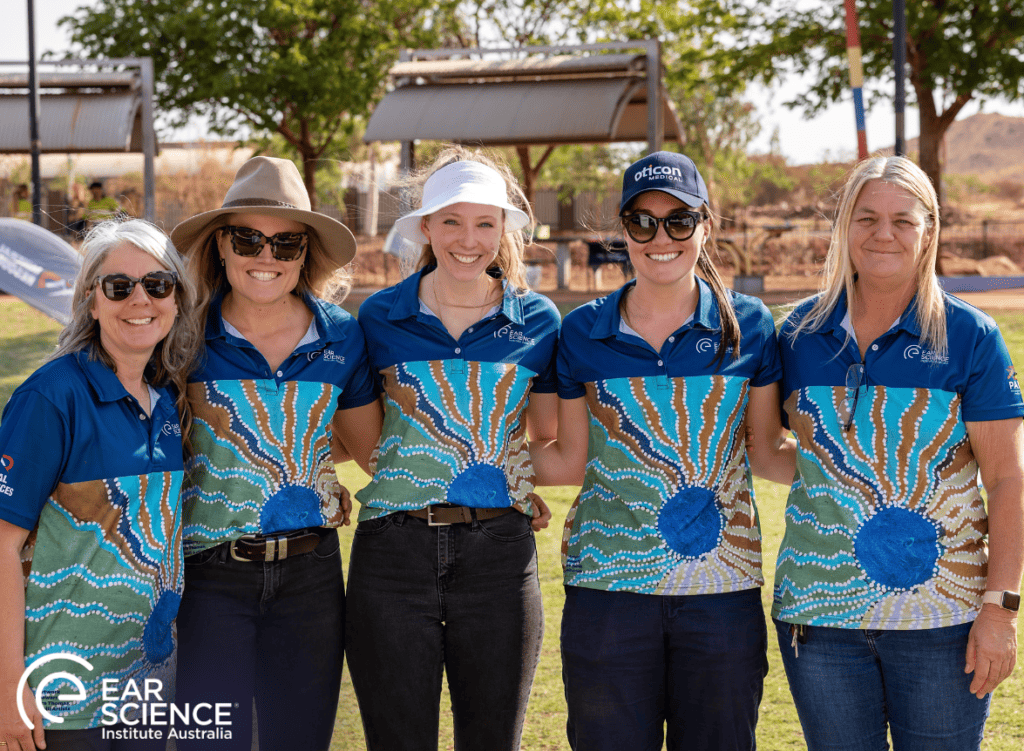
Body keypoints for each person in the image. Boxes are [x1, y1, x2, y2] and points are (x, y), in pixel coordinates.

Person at [773, 155, 1024, 751]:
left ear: (928, 231)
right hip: (820, 619)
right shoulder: (797, 335)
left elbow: (1008, 480)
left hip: (942, 623)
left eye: (903, 220)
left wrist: (1000, 609)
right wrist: (839, 480)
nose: (883, 234)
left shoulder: (970, 336)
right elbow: (770, 449)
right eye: (866, 218)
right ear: (844, 226)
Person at [546, 151, 793, 751]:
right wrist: (494, 479)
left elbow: (766, 453)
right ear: (623, 231)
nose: (662, 238)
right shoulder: (581, 330)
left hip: (721, 593)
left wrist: (867, 471)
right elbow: (570, 457)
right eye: (642, 222)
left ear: (705, 225)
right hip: (607, 591)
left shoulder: (750, 326)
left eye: (680, 221)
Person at [345, 147, 561, 751]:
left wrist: (501, 482)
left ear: (504, 229)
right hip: (392, 556)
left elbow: (544, 432)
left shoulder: (538, 320)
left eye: (485, 223)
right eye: (451, 221)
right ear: (425, 227)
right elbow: (372, 444)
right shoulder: (378, 317)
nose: (469, 240)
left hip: (500, 557)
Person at [168, 156, 381, 751]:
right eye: (248, 239)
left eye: (286, 243)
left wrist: (308, 473)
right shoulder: (181, 334)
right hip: (209, 576)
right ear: (220, 245)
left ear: (305, 252)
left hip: (312, 579)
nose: (266, 256)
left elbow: (370, 450)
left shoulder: (342, 335)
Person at [0, 218, 199, 751]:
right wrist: (7, 686)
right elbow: (1, 545)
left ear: (176, 300)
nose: (140, 299)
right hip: (61, 698)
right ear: (91, 300)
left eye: (158, 284)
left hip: (145, 691)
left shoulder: (167, 400)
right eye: (119, 286)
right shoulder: (51, 396)